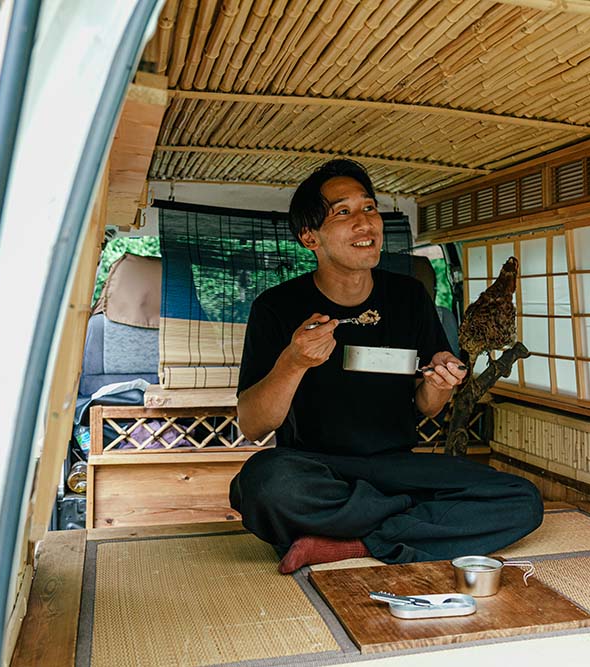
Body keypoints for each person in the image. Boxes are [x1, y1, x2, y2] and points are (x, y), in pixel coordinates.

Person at [230, 159, 543, 574]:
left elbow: (427, 406)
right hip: (316, 468)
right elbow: (252, 426)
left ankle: (354, 542)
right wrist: (293, 362)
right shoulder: (276, 307)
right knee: (264, 486)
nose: (365, 223)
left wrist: (442, 381)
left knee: (522, 500)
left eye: (370, 208)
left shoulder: (408, 296)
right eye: (343, 212)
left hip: (398, 466)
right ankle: (410, 521)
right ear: (310, 237)